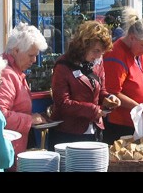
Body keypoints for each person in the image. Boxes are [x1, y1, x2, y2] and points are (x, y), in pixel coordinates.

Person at [48, 21, 121, 150]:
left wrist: (110, 98)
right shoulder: (63, 66)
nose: (98, 56)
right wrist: (93, 110)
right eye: (96, 51)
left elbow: (101, 91)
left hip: (94, 130)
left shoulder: (97, 63)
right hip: (68, 132)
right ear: (83, 46)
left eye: (102, 52)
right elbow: (62, 103)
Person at [102, 6, 143, 144]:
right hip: (121, 124)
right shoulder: (115, 54)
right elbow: (112, 92)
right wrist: (140, 107)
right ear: (132, 38)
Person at [0, 22, 48, 169]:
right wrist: (30, 120)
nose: (34, 60)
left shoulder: (14, 72)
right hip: (6, 151)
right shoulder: (7, 74)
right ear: (15, 51)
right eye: (31, 55)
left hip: (12, 149)